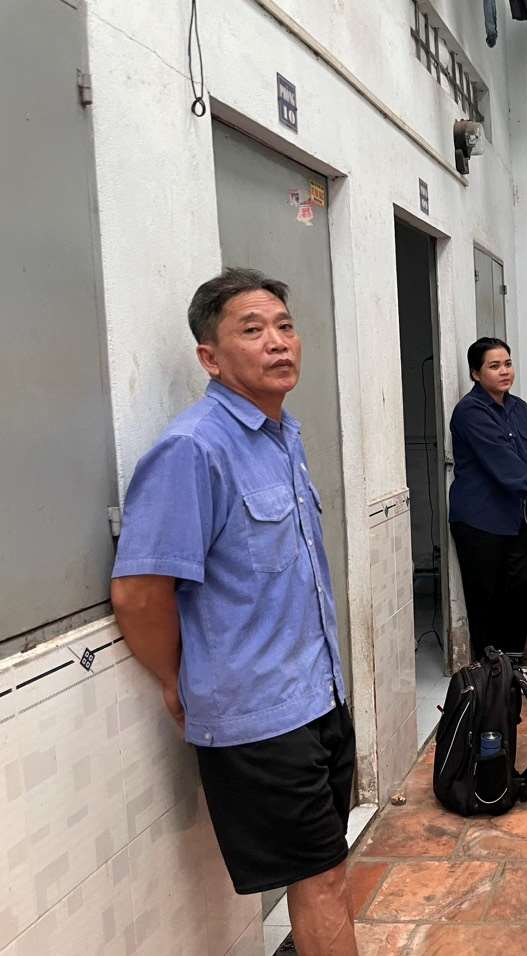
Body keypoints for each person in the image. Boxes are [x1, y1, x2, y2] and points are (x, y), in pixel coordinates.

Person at [110, 268, 359, 955]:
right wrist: (174, 676)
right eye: (252, 330)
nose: (277, 343)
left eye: (283, 325)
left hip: (319, 697)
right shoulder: (193, 448)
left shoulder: (283, 435)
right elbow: (138, 592)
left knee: (328, 873)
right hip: (260, 718)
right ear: (210, 358)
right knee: (323, 883)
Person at [449, 337, 527, 687]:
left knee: (520, 592)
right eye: (494, 366)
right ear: (476, 372)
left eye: (507, 364)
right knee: (486, 599)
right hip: (479, 521)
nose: (504, 371)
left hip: (517, 517)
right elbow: (500, 464)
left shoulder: (519, 408)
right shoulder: (471, 412)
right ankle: (490, 677)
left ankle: (514, 668)